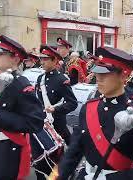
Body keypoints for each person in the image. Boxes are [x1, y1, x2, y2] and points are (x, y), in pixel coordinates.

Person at [58, 47, 133, 180]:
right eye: (97, 73)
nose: (98, 78)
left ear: (123, 75)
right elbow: (73, 152)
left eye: (105, 74)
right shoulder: (88, 108)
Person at [0, 35, 44, 180]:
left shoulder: (21, 84)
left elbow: (35, 122)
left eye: (1, 54)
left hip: (11, 150)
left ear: (16, 59)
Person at [33, 45, 78, 180]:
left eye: (46, 59)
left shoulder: (61, 80)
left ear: (54, 61)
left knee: (58, 160)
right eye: (41, 59)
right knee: (40, 158)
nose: (42, 62)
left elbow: (72, 103)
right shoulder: (40, 78)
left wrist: (56, 109)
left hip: (57, 125)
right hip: (43, 125)